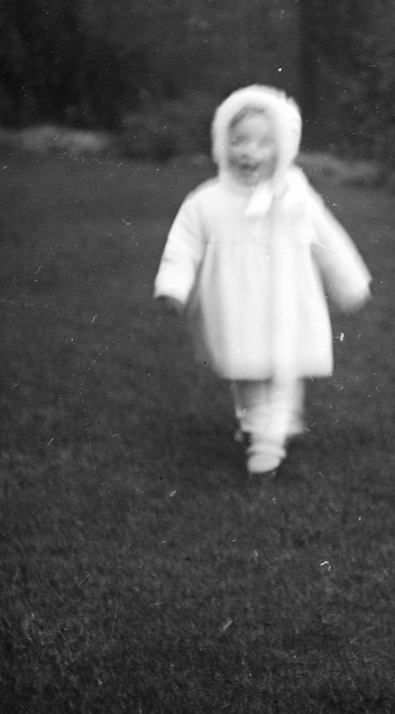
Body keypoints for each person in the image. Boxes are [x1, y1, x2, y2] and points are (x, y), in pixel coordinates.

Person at [154, 84, 371, 477]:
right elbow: (182, 244)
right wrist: (173, 285)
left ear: (284, 149)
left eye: (263, 143)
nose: (249, 152)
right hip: (235, 301)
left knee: (286, 362)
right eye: (239, 140)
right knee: (245, 364)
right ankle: (259, 422)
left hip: (289, 298)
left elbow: (328, 239)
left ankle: (273, 431)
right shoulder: (207, 200)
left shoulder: (295, 198)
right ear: (222, 142)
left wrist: (350, 282)